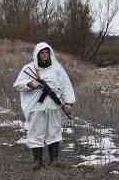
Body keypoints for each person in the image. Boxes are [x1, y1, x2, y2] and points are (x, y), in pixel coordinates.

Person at [14, 42, 76, 170]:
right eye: (42, 53)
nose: (44, 55)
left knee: (54, 131)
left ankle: (54, 160)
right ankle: (38, 161)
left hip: (54, 105)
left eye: (46, 52)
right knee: (36, 132)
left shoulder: (57, 68)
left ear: (50, 53)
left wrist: (68, 102)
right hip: (36, 106)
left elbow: (65, 84)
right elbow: (18, 84)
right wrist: (31, 84)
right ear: (37, 54)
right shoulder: (29, 68)